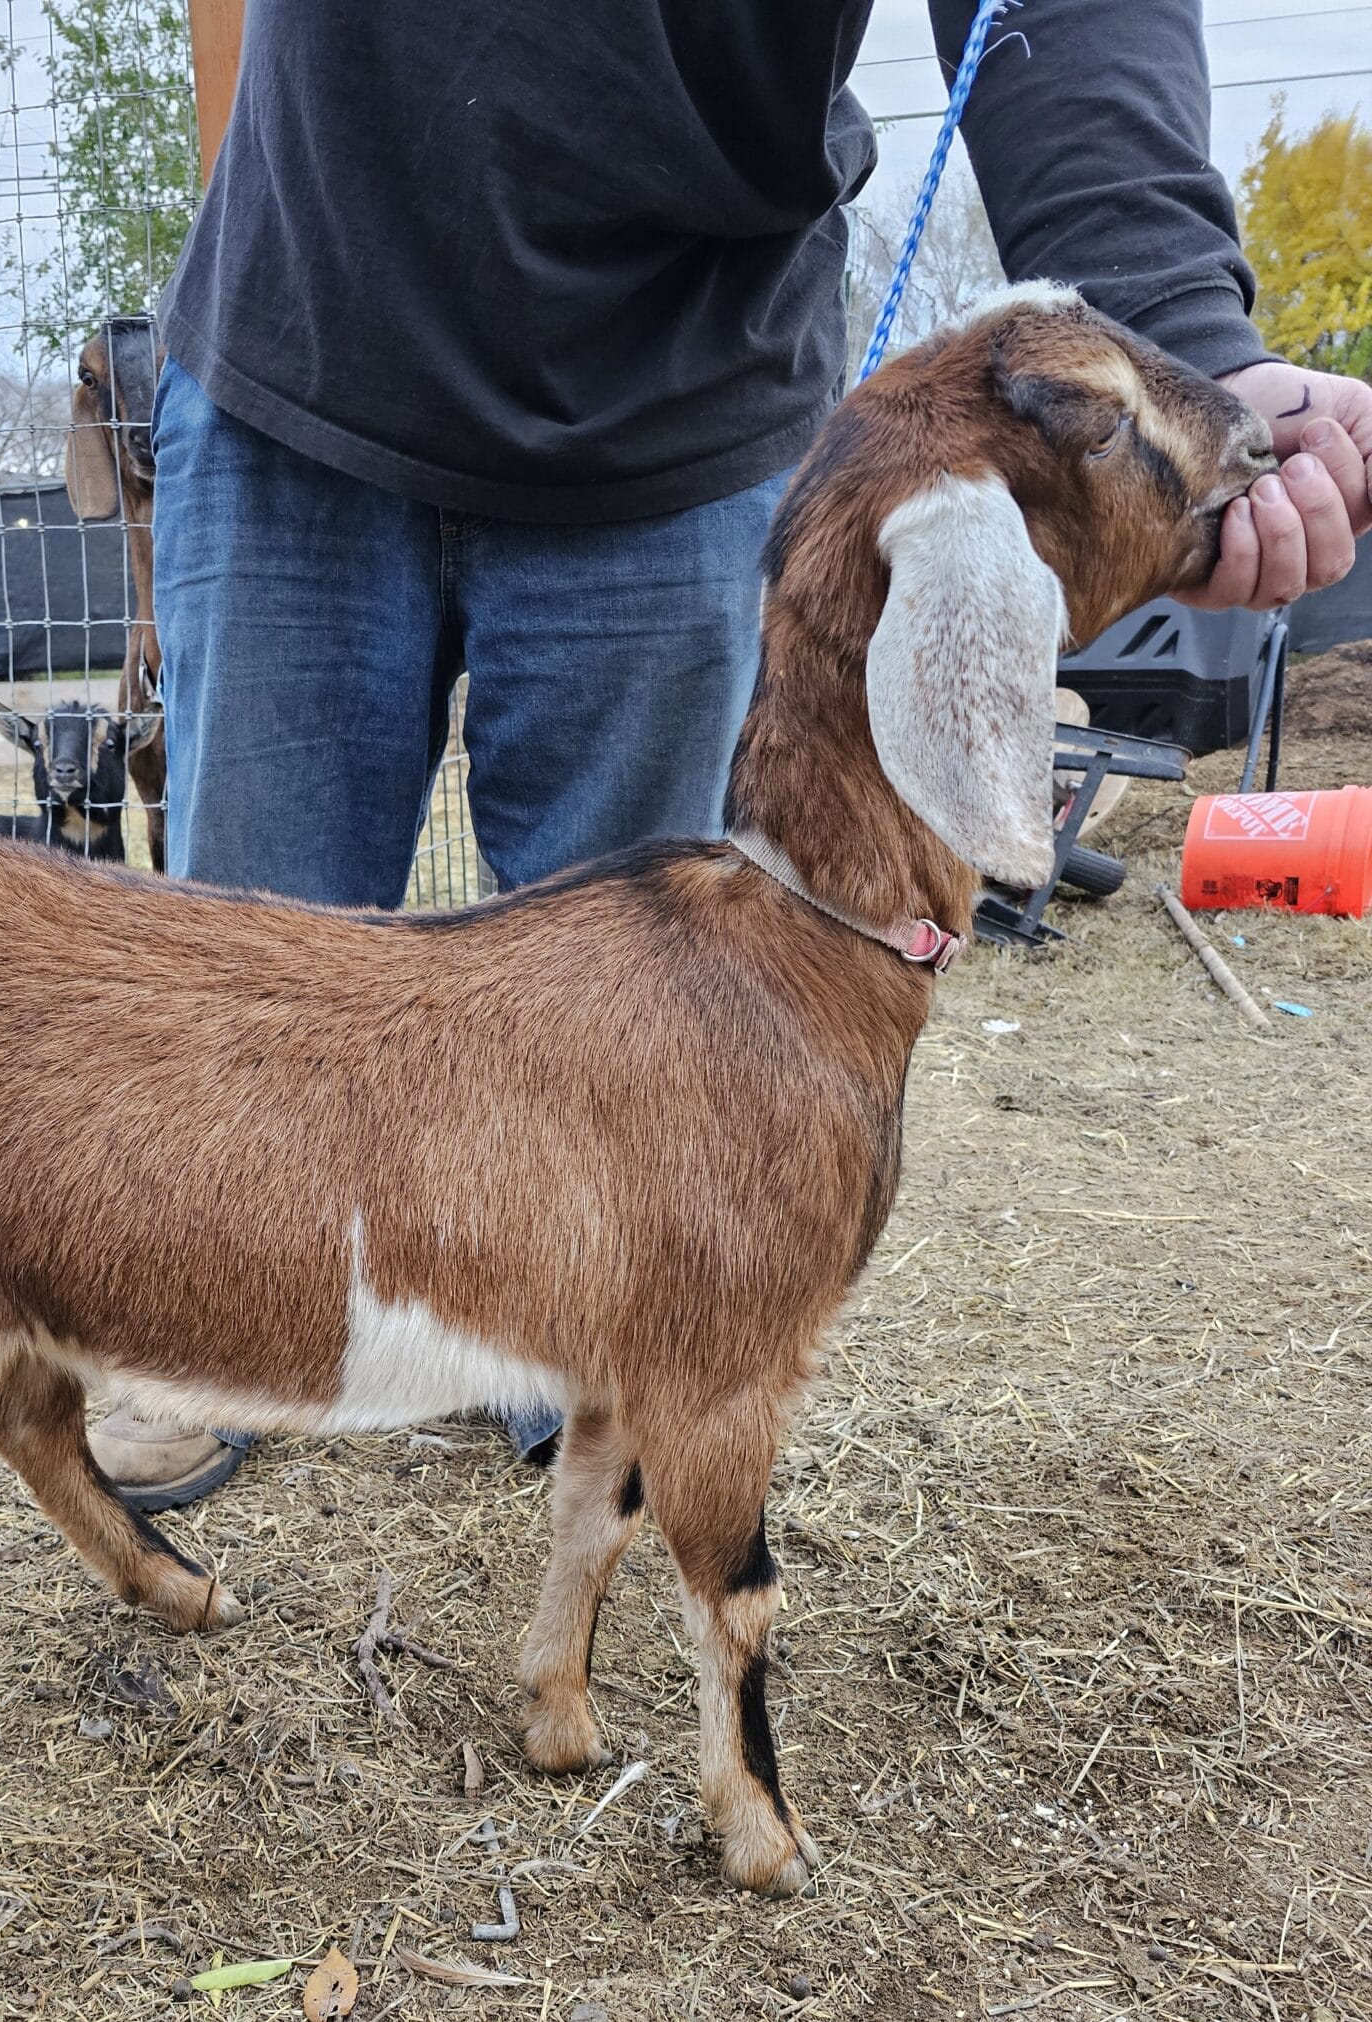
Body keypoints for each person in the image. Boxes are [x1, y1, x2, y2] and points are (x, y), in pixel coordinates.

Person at [89, 0, 1372, 1512]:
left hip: (675, 419)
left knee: (634, 1024)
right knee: (250, 958)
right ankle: (196, 1319)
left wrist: (1189, 365)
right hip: (304, 349)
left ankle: (575, 1357)